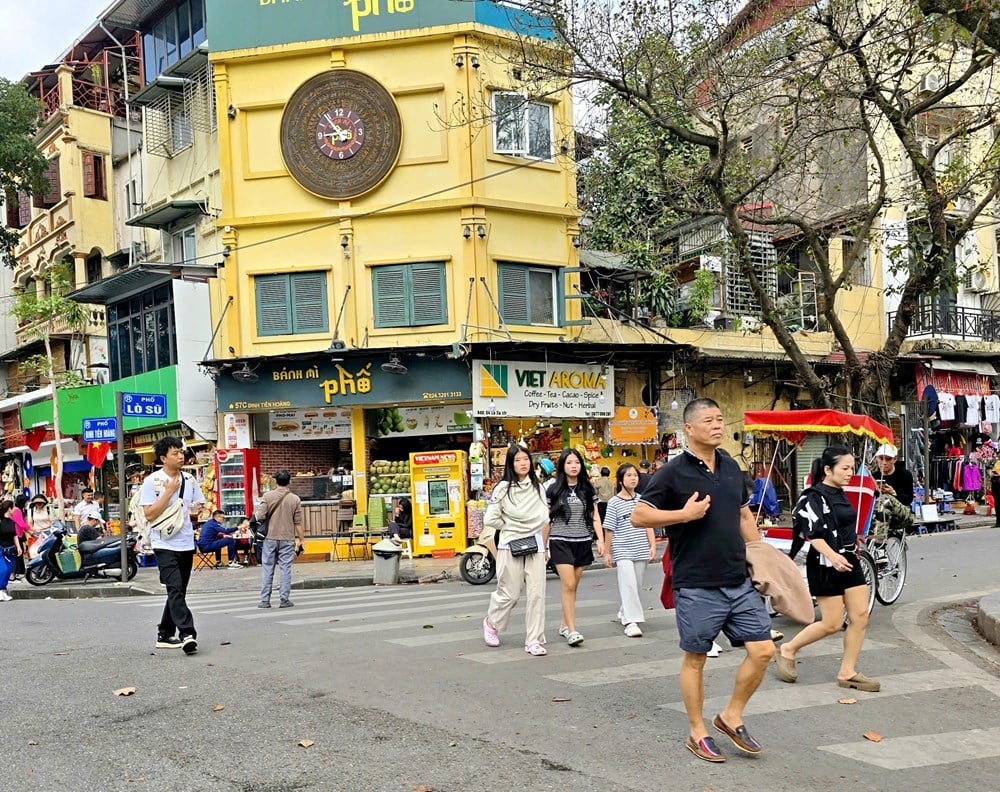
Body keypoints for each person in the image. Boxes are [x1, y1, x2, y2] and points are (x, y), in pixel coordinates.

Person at [631, 398, 774, 763]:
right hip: (696, 582)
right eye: (708, 420)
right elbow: (639, 515)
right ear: (689, 430)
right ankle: (697, 731)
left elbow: (744, 517)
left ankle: (731, 716)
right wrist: (684, 514)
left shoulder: (731, 467)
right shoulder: (672, 472)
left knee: (763, 650)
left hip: (736, 579)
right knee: (696, 658)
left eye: (720, 419)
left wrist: (760, 555)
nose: (717, 425)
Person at [776, 445, 880, 692]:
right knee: (832, 623)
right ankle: (788, 649)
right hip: (825, 562)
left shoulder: (841, 493)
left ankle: (848, 671)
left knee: (860, 617)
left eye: (852, 468)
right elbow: (813, 534)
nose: (849, 473)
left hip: (848, 558)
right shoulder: (812, 496)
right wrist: (833, 556)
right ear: (827, 469)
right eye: (844, 468)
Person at [482, 445, 551, 656]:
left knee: (537, 594)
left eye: (526, 459)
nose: (523, 463)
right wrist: (513, 526)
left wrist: (546, 545)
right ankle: (491, 622)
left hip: (535, 544)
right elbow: (490, 519)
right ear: (511, 464)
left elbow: (544, 517)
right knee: (510, 594)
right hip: (509, 544)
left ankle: (534, 640)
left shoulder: (538, 488)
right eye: (518, 460)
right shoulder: (503, 488)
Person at [140, 436, 204, 654]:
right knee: (175, 588)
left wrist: (196, 512)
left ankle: (165, 633)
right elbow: (149, 514)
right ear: (163, 458)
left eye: (181, 452)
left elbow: (196, 507)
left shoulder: (190, 480)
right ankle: (187, 633)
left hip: (185, 541)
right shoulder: (152, 481)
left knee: (179, 590)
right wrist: (168, 492)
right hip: (163, 542)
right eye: (175, 453)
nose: (181, 456)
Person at [547, 448, 604, 647]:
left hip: (582, 541)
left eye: (577, 462)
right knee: (569, 585)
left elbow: (594, 516)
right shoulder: (553, 489)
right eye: (569, 462)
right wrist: (544, 546)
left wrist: (601, 540)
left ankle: (564, 624)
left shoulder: (587, 489)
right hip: (560, 541)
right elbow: (547, 520)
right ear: (562, 466)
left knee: (573, 587)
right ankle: (572, 630)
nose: (573, 466)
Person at [603, 463, 655, 637]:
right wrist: (608, 552)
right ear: (620, 480)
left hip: (640, 548)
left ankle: (625, 609)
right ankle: (631, 622)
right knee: (629, 584)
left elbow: (648, 524)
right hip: (623, 549)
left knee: (637, 585)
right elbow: (609, 529)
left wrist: (652, 545)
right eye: (629, 476)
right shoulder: (613, 503)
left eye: (635, 475)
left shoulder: (642, 499)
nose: (633, 478)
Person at [256, 469, 304, 609]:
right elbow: (298, 522)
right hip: (287, 539)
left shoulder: (268, 496)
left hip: (270, 538)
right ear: (289, 481)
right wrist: (301, 540)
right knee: (285, 569)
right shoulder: (295, 499)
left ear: (275, 481)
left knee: (267, 568)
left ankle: (265, 601)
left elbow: (260, 516)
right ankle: (284, 600)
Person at [0, 500, 23, 601]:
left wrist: (18, 547)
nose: (15, 510)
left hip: (10, 549)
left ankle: (3, 590)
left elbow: (15, 535)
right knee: (3, 570)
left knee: (8, 571)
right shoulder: (0, 521)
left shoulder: (12, 521)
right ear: (9, 509)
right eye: (13, 508)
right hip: (1, 549)